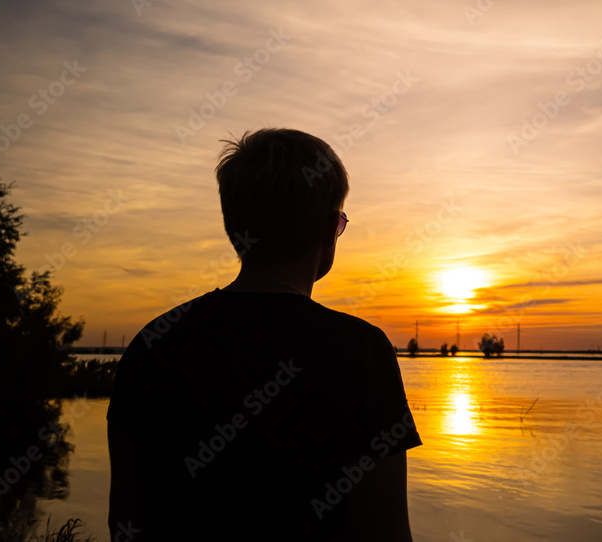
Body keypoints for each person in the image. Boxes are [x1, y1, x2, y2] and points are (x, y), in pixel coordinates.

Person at [107, 128, 421, 541]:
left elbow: (125, 520)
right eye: (341, 220)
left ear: (233, 226)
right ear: (330, 229)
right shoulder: (360, 351)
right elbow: (386, 531)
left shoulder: (152, 343)